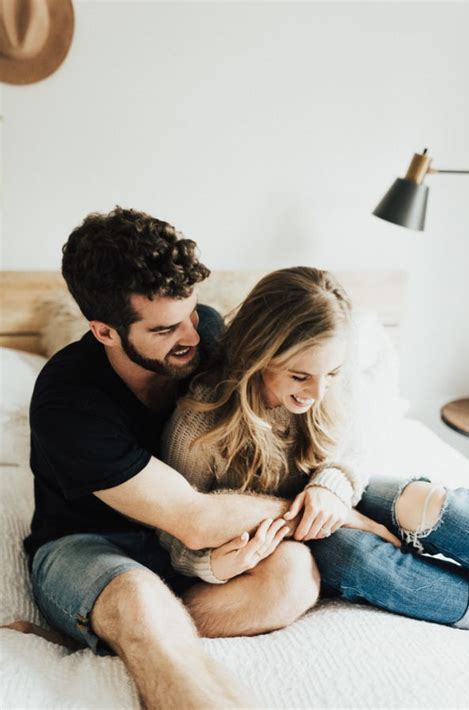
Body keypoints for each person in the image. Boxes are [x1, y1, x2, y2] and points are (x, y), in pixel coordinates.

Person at [6, 207, 332, 709]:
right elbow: (197, 521)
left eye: (192, 314)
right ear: (105, 332)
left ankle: (109, 636)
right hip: (91, 544)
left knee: (293, 575)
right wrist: (331, 506)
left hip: (194, 551)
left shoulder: (208, 334)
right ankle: (135, 630)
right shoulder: (66, 398)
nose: (194, 338)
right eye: (164, 330)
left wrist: (331, 484)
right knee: (138, 597)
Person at [157, 266, 469, 633]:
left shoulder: (330, 374)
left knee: (428, 503)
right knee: (354, 554)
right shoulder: (199, 426)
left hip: (329, 495)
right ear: (256, 356)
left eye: (333, 374)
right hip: (269, 533)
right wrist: (212, 565)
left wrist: (330, 487)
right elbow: (174, 532)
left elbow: (358, 445)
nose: (318, 392)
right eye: (299, 376)